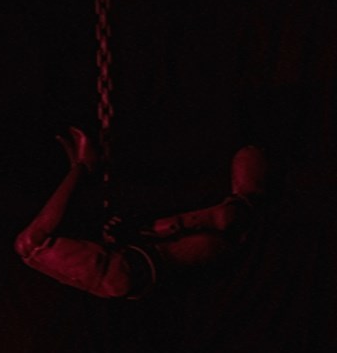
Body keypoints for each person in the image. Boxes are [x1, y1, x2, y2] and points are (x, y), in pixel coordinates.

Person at [14, 128, 265, 301]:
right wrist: (129, 234)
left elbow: (174, 230)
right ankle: (80, 168)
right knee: (29, 247)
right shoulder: (235, 222)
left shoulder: (235, 220)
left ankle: (81, 167)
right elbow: (170, 234)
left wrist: (136, 233)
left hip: (131, 272)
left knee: (30, 245)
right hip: (130, 271)